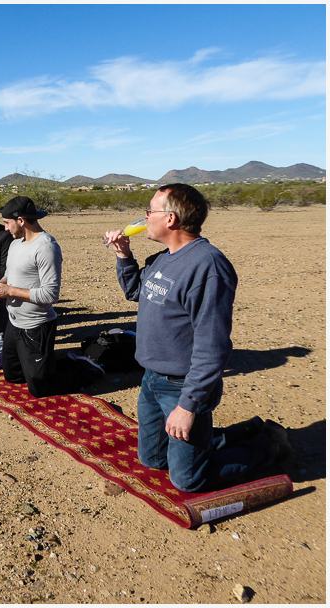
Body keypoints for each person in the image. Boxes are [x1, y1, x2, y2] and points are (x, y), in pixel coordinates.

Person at [104, 183, 290, 492]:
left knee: (188, 479)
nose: (144, 217)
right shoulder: (162, 259)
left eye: (151, 211)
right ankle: (241, 431)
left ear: (171, 219)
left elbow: (212, 346)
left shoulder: (207, 267)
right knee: (152, 459)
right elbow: (136, 291)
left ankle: (269, 446)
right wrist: (124, 255)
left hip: (182, 385)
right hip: (151, 378)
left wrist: (188, 406)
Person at [0, 196, 102, 397]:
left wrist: (10, 291)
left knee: (40, 388)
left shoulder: (46, 247)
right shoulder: (15, 244)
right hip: (14, 322)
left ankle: (82, 366)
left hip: (37, 325)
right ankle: (46, 364)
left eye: (7, 223)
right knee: (12, 375)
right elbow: (11, 275)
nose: (5, 228)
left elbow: (50, 294)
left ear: (21, 220)